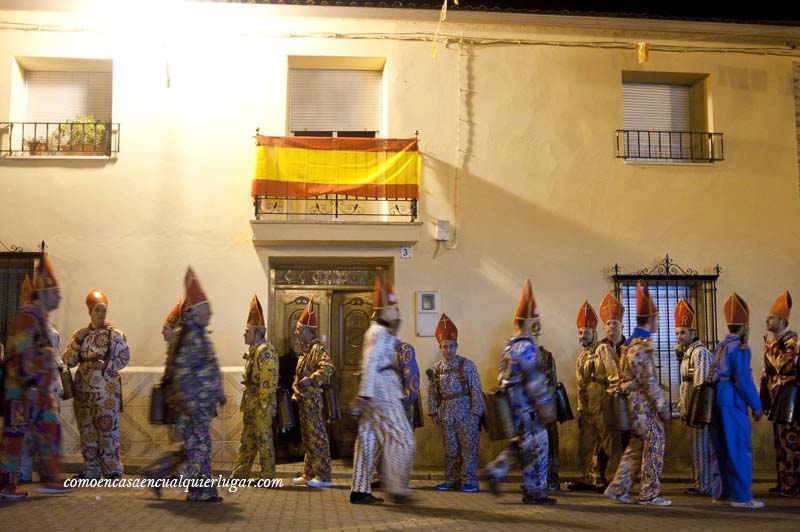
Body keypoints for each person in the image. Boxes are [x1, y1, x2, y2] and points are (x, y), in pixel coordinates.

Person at [0, 255, 71, 497]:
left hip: (38, 391)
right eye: (56, 292)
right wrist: (30, 385)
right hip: (22, 391)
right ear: (44, 294)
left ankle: (50, 479)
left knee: (50, 430)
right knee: (14, 437)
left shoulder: (41, 319)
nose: (59, 296)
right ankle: (6, 483)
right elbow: (22, 353)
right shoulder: (27, 317)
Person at [485, 279, 557, 505]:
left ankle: (496, 471)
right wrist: (545, 406)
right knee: (537, 448)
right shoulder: (526, 347)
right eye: (535, 320)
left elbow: (503, 377)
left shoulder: (509, 347)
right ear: (527, 321)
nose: (538, 324)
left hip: (514, 407)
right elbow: (534, 379)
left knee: (519, 446)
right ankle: (535, 493)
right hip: (528, 408)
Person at [350, 272, 415, 504]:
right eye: (395, 310)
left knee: (368, 440)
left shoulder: (378, 332)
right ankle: (397, 488)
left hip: (374, 393)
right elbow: (371, 363)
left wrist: (364, 396)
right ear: (385, 311)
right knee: (403, 437)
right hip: (382, 393)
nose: (398, 314)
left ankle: (359, 490)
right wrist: (365, 394)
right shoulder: (379, 333)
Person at [604, 282, 671, 506]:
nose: (659, 323)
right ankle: (649, 493)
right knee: (655, 445)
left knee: (636, 447)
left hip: (634, 408)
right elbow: (649, 382)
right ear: (651, 320)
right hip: (644, 409)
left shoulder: (630, 344)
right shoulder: (640, 347)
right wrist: (662, 407)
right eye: (658, 319)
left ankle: (617, 489)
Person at [161, 268, 224, 502]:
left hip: (200, 405)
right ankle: (200, 491)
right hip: (193, 406)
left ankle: (161, 474)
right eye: (207, 309)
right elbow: (184, 374)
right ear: (195, 312)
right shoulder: (188, 337)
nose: (211, 313)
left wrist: (217, 392)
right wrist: (190, 404)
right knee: (199, 448)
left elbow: (207, 368)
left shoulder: (198, 335)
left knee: (196, 448)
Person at [62, 289, 131, 480]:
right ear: (90, 311)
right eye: (97, 309)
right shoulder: (80, 334)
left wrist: (107, 364)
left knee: (108, 429)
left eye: (104, 309)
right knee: (86, 430)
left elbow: (124, 357)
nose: (101, 313)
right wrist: (77, 340)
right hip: (83, 390)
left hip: (106, 391)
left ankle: (112, 470)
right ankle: (91, 469)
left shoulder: (115, 334)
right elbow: (68, 360)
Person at [710, 293, 764, 508]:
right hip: (732, 401)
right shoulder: (741, 348)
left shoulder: (720, 346)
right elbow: (743, 379)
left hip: (716, 399)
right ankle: (741, 497)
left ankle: (721, 494)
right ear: (744, 327)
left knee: (720, 449)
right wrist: (757, 405)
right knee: (739, 448)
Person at [428, 313, 483, 493]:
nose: (448, 350)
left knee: (469, 449)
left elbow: (476, 389)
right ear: (440, 347)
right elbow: (432, 392)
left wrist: (475, 414)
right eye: (444, 347)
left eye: (451, 346)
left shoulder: (467, 365)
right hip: (446, 415)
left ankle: (470, 481)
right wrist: (433, 412)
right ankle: (452, 480)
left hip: (466, 414)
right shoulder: (436, 369)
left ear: (456, 346)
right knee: (451, 449)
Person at [19, 275, 63, 484]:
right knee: (29, 433)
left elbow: (55, 361)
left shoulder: (50, 331)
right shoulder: (28, 327)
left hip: (46, 388)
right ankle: (24, 472)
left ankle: (46, 474)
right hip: (32, 388)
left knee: (44, 432)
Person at [231, 295, 279, 481]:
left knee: (263, 439)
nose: (244, 334)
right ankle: (240, 474)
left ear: (257, 332)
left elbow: (268, 379)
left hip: (261, 403)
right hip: (252, 401)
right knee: (248, 438)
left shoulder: (265, 351)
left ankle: (268, 476)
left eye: (247, 331)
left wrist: (265, 403)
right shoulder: (254, 351)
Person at [291, 297, 335, 488]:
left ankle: (323, 475)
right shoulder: (304, 351)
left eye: (299, 329)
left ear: (309, 332)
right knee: (308, 437)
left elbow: (328, 367)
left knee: (317, 437)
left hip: (313, 401)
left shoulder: (317, 349)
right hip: (303, 400)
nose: (296, 332)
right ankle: (309, 472)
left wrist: (312, 378)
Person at [675, 298, 716, 496]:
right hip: (690, 410)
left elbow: (701, 386)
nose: (679, 336)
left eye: (683, 332)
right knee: (695, 448)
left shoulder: (700, 353)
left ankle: (705, 485)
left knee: (701, 447)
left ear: (693, 332)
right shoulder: (686, 353)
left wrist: (696, 413)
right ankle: (700, 482)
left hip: (699, 411)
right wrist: (683, 408)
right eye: (677, 333)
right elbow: (684, 385)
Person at [760, 291, 799, 496]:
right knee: (778, 442)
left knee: (790, 441)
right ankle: (782, 481)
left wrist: (772, 346)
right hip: (775, 397)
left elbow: (784, 364)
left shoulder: (791, 340)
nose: (767, 320)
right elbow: (767, 370)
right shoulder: (771, 339)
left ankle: (792, 483)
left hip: (788, 398)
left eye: (771, 317)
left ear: (782, 321)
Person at [569, 300, 604, 492]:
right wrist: (581, 409)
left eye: (586, 332)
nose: (583, 336)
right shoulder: (581, 357)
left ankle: (610, 480)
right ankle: (587, 478)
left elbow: (613, 377)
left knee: (607, 445)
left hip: (603, 404)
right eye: (580, 332)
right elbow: (580, 385)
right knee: (586, 445)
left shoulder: (603, 350)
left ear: (594, 333)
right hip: (588, 407)